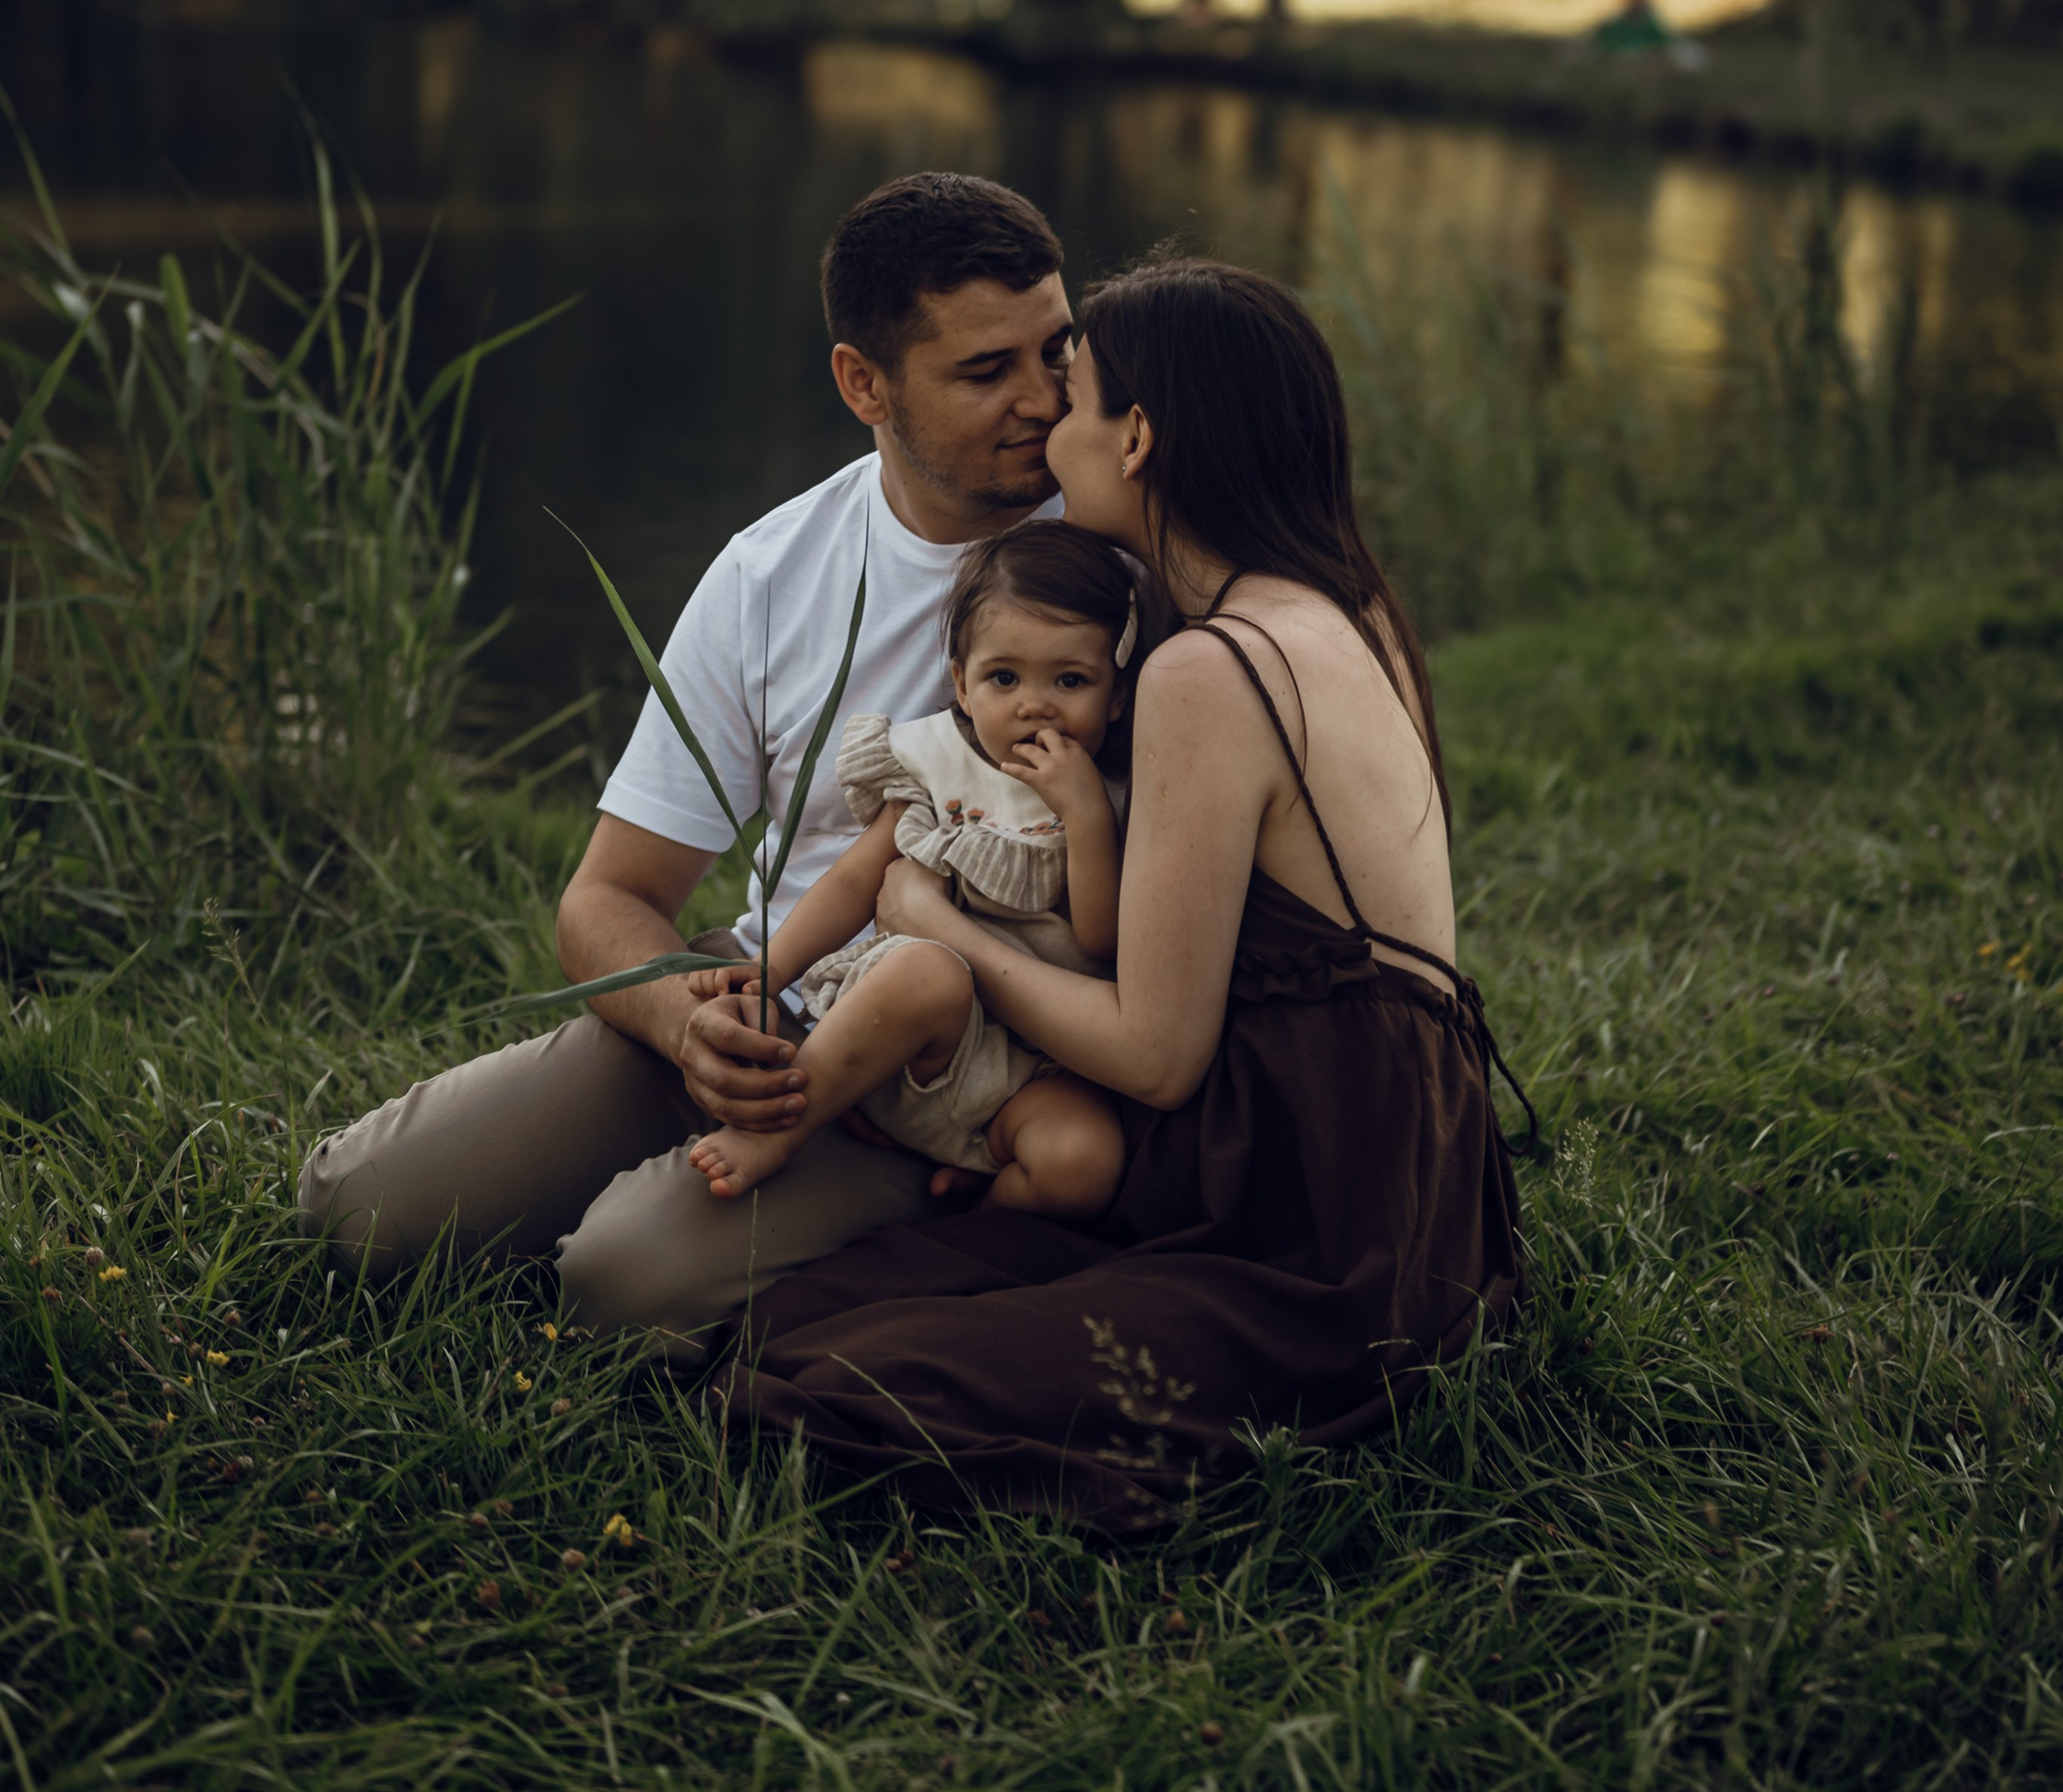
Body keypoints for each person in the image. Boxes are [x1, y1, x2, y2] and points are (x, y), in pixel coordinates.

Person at [720, 254, 1529, 1533]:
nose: (1048, 419)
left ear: (1140, 434)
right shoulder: (1343, 604)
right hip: (1416, 1176)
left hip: (1312, 1211)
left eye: (1074, 388)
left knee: (844, 1380)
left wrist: (942, 935)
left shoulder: (1215, 667)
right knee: (804, 1320)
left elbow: (1155, 1055)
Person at [297, 169, 1075, 1347]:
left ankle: (904, 1230)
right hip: (764, 998)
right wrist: (684, 1023)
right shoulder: (772, 573)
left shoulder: (1116, 556)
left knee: (625, 1285)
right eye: (986, 371)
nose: (1044, 400)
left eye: (1059, 350)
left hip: (951, 1072)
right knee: (356, 1213)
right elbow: (610, 897)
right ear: (863, 382)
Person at [683, 519, 1148, 1218]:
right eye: (1004, 677)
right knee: (927, 971)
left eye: (1071, 679)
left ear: (1114, 695)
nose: (1035, 703)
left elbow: (1101, 942)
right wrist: (773, 970)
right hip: (910, 1046)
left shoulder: (1113, 797)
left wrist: (1086, 819)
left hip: (1029, 1070)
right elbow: (852, 880)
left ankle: (975, 1219)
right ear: (961, 685)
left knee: (1085, 1159)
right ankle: (782, 1126)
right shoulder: (937, 764)